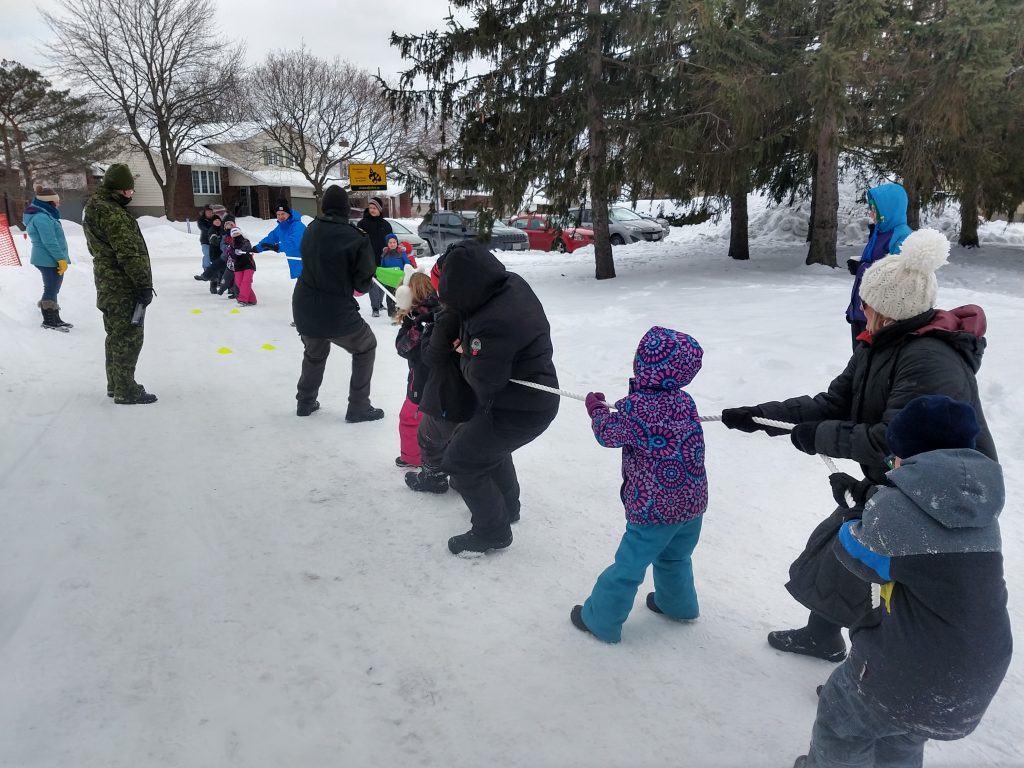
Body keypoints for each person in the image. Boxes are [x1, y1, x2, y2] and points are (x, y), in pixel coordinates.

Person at [721, 228, 997, 662]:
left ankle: (882, 677)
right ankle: (823, 635)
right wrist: (762, 416)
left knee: (889, 579)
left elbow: (894, 437)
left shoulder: (929, 359)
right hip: (899, 476)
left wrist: (817, 437)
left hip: (942, 492)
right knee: (841, 547)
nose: (860, 306)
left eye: (866, 301)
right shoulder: (879, 344)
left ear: (887, 310)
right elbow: (834, 402)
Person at [794, 395, 1011, 768]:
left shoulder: (894, 511)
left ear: (907, 454)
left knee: (841, 723)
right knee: (902, 733)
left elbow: (855, 554)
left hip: (908, 669)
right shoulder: (981, 512)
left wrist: (855, 511)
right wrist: (871, 500)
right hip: (976, 673)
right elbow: (926, 530)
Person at [570, 327, 708, 643]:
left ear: (643, 365)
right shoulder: (685, 401)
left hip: (654, 509)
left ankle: (600, 620)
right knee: (676, 556)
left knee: (629, 565)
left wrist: (596, 410)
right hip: (693, 504)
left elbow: (608, 434)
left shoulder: (636, 408)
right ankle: (678, 605)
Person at [438, 240, 559, 555]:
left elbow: (484, 380)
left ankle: (492, 531)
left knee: (460, 461)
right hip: (525, 400)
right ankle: (508, 507)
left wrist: (462, 352)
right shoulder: (508, 284)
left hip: (520, 408)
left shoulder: (495, 321)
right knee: (485, 449)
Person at [292, 185, 383, 422]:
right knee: (366, 346)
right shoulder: (356, 237)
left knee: (315, 351)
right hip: (336, 311)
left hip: (304, 306)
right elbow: (363, 283)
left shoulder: (310, 229)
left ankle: (305, 401)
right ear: (346, 209)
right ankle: (359, 406)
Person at [403, 250, 477, 494]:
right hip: (469, 388)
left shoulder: (449, 314)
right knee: (461, 434)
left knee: (429, 435)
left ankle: (433, 476)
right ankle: (461, 475)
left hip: (448, 391)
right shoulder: (476, 303)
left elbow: (430, 355)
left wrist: (425, 331)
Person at [83, 163, 156, 404]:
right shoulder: (113, 213)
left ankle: (116, 383)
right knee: (129, 336)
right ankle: (126, 390)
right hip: (123, 285)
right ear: (119, 190)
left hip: (106, 281)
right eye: (129, 191)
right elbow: (128, 253)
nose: (131, 195)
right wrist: (143, 284)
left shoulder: (94, 207)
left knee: (115, 334)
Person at [845, 183, 913, 348]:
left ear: (890, 209)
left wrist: (862, 268)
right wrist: (852, 309)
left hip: (879, 317)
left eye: (876, 209)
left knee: (871, 366)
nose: (872, 213)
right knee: (859, 365)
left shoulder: (902, 235)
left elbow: (894, 274)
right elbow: (873, 263)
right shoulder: (879, 232)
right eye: (872, 208)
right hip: (862, 311)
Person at [394, 269, 441, 468]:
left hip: (420, 383)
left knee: (411, 419)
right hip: (443, 381)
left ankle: (412, 457)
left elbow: (402, 348)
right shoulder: (442, 311)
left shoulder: (420, 321)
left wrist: (417, 327)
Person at [24, 182, 72, 331]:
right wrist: (60, 259)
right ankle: (49, 321)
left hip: (49, 258)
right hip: (47, 259)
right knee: (51, 288)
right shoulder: (41, 218)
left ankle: (55, 318)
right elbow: (49, 242)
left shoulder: (45, 215)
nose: (59, 203)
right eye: (56, 200)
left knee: (53, 289)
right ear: (49, 202)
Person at [357, 196, 393, 317]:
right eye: (370, 207)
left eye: (375, 208)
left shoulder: (386, 225)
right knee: (373, 283)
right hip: (369, 258)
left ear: (380, 209)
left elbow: (392, 240)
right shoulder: (362, 224)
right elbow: (358, 241)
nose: (372, 210)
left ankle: (380, 303)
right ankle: (375, 307)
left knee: (383, 282)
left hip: (384, 258)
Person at [255, 198, 306, 279]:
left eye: (283, 214)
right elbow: (270, 238)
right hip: (296, 263)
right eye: (278, 214)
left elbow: (294, 242)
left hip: (308, 262)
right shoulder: (280, 228)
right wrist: (256, 248)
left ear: (288, 214)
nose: (280, 216)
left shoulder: (298, 226)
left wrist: (278, 247)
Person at [193, 214, 224, 292]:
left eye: (218, 220)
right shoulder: (212, 230)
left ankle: (221, 285)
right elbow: (213, 238)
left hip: (222, 253)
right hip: (214, 253)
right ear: (212, 222)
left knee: (222, 270)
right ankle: (212, 286)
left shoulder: (222, 229)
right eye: (215, 220)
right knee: (215, 270)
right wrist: (219, 240)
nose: (217, 221)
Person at [229, 227, 257, 306]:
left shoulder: (246, 241)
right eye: (234, 233)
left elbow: (247, 247)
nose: (236, 234)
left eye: (237, 233)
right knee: (239, 283)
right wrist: (235, 253)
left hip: (248, 264)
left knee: (246, 281)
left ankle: (243, 299)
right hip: (238, 266)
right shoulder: (232, 244)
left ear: (240, 233)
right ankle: (252, 299)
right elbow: (231, 254)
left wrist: (241, 250)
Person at [197, 205, 215, 270]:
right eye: (208, 211)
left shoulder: (216, 219)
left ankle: (215, 271)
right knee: (207, 254)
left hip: (215, 241)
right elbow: (204, 228)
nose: (209, 213)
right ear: (205, 212)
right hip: (205, 241)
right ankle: (206, 270)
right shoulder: (201, 220)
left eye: (211, 211)